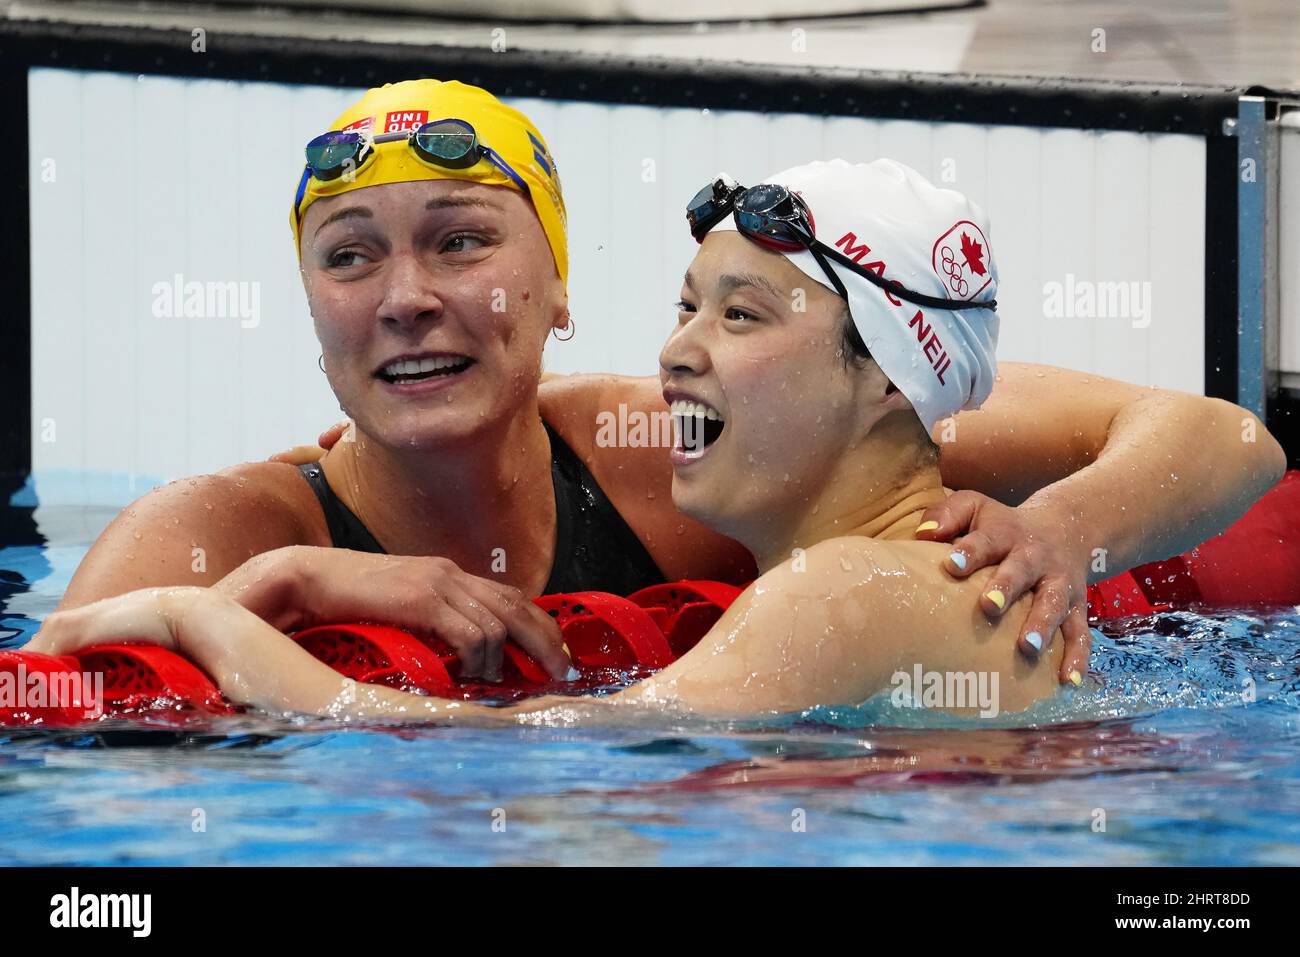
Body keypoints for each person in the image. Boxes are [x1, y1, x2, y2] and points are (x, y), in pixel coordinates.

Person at [52, 80, 1286, 689]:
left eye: (462, 240)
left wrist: (1060, 526)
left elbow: (1225, 440)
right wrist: (305, 586)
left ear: (558, 289)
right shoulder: (215, 532)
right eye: (349, 257)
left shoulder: (677, 443)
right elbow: (51, 710)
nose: (403, 296)